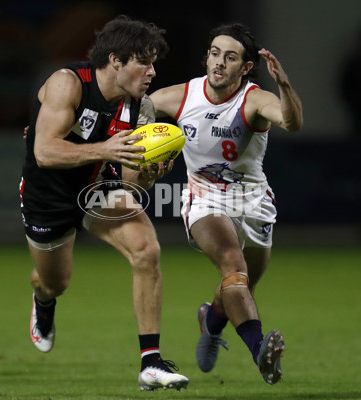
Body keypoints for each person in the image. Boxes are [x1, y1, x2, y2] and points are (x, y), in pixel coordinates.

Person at [19, 15, 188, 391]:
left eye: (154, 62)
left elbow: (130, 180)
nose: (152, 72)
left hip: (99, 186)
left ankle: (151, 363)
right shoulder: (67, 84)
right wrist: (104, 148)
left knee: (147, 250)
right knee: (55, 282)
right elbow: (44, 151)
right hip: (49, 195)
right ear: (116, 60)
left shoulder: (139, 109)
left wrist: (148, 172)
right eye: (144, 61)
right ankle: (43, 301)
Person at [149, 23, 303, 384]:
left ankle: (212, 320)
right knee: (233, 266)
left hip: (254, 203)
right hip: (204, 201)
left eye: (230, 57)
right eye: (214, 53)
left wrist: (284, 85)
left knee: (239, 286)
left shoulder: (254, 100)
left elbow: (293, 123)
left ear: (245, 67)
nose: (219, 63)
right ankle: (260, 351)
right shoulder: (181, 96)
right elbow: (128, 110)